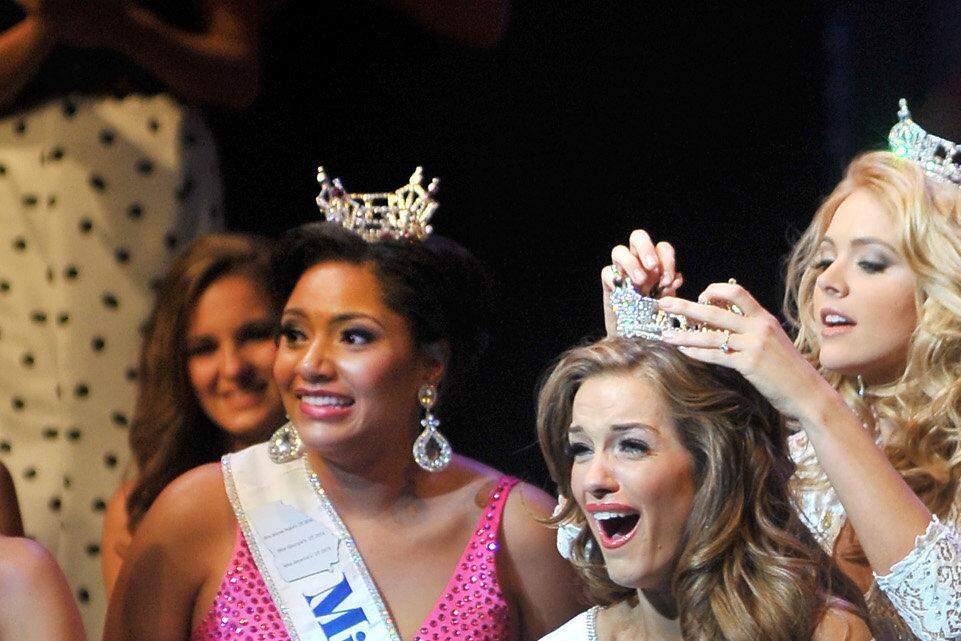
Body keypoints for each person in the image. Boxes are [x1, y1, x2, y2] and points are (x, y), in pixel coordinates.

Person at [598, 101, 961, 641]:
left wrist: (812, 402)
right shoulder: (799, 444)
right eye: (824, 258)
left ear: (946, 293)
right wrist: (635, 344)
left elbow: (955, 619)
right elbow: (616, 547)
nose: (830, 280)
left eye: (871, 262)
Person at [104, 168, 580, 641]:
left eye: (353, 337)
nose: (310, 364)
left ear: (431, 363)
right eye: (294, 334)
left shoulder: (520, 534)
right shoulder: (199, 514)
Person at [0, 1, 260, 631]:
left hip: (154, 174)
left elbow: (239, 71)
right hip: (16, 178)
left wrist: (119, 24)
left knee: (151, 421)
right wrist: (45, 29)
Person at [535, 335, 870, 641]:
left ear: (713, 465)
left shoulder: (826, 633)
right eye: (580, 449)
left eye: (631, 446)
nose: (593, 479)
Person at [100, 234, 285, 592]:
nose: (232, 368)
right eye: (203, 349)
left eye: (254, 335)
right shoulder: (139, 511)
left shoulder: (352, 488)